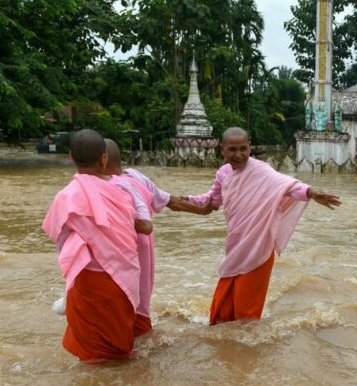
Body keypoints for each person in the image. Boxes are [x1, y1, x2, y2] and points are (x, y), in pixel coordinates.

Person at [185, 127, 342, 324]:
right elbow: (212, 201)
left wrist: (311, 192)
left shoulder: (261, 170)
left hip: (259, 247)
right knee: (221, 315)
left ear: (250, 147)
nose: (239, 154)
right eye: (232, 149)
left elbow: (289, 186)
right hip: (235, 248)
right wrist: (182, 200)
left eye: (243, 148)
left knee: (246, 319)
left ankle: (248, 353)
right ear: (222, 149)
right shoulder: (223, 174)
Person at [41, 129, 144, 362]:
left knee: (92, 357)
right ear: (104, 158)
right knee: (120, 349)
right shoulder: (122, 192)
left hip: (88, 280)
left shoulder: (65, 197)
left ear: (70, 157)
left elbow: (60, 239)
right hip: (123, 278)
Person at [103, 139, 209, 336]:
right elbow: (171, 201)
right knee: (142, 299)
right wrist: (204, 209)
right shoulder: (134, 176)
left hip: (129, 254)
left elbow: (142, 224)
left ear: (101, 160)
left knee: (127, 307)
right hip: (146, 253)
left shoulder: (113, 187)